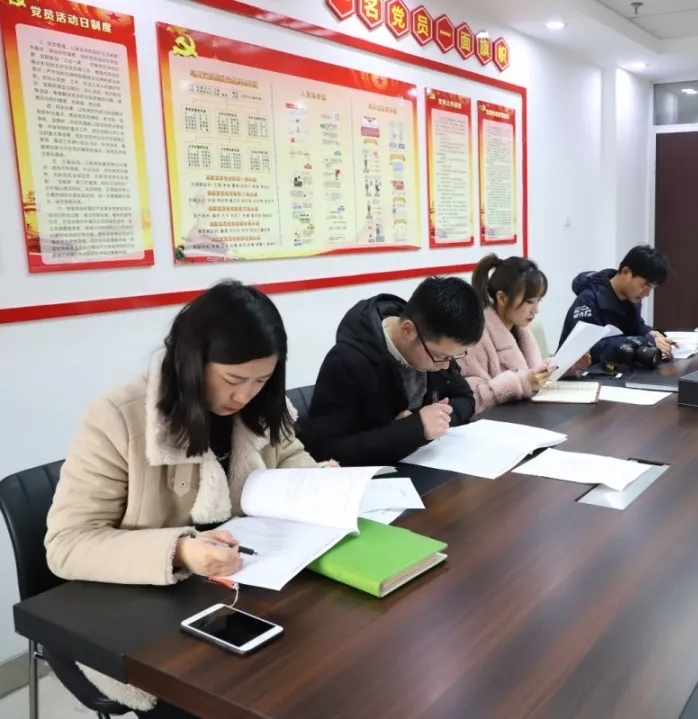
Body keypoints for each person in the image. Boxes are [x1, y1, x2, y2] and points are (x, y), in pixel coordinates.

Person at [44, 281, 326, 718]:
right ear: (193, 362)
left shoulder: (260, 407)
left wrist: (321, 485)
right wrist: (178, 551)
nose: (245, 395)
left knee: (310, 668)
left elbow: (289, 455)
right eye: (233, 379)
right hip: (147, 611)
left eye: (262, 380)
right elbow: (67, 543)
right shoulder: (118, 419)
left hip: (241, 590)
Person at [301, 276, 485, 466]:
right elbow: (324, 450)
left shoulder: (432, 343)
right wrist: (412, 429)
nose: (446, 366)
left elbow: (465, 397)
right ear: (408, 331)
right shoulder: (346, 361)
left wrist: (438, 419)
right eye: (441, 356)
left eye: (451, 358)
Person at [459, 254, 590, 413]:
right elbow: (469, 397)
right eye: (529, 302)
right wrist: (521, 383)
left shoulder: (520, 329)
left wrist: (569, 363)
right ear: (502, 298)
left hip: (525, 415)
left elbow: (534, 374)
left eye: (538, 301)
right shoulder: (475, 336)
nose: (536, 310)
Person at [558, 244, 673, 363]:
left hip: (616, 368)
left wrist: (652, 334)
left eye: (651, 288)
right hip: (582, 371)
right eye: (644, 286)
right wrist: (645, 341)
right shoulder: (589, 300)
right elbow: (586, 349)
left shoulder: (632, 299)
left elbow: (637, 327)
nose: (647, 293)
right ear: (625, 272)